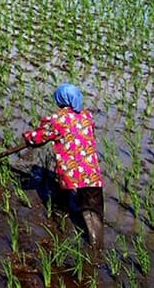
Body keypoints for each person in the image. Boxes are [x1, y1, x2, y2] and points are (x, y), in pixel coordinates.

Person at [23, 83, 104, 247]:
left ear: (60, 100)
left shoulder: (56, 120)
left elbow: (39, 137)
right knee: (93, 210)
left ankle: (60, 231)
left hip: (69, 172)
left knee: (60, 202)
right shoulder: (87, 116)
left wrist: (28, 137)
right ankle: (96, 244)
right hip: (91, 173)